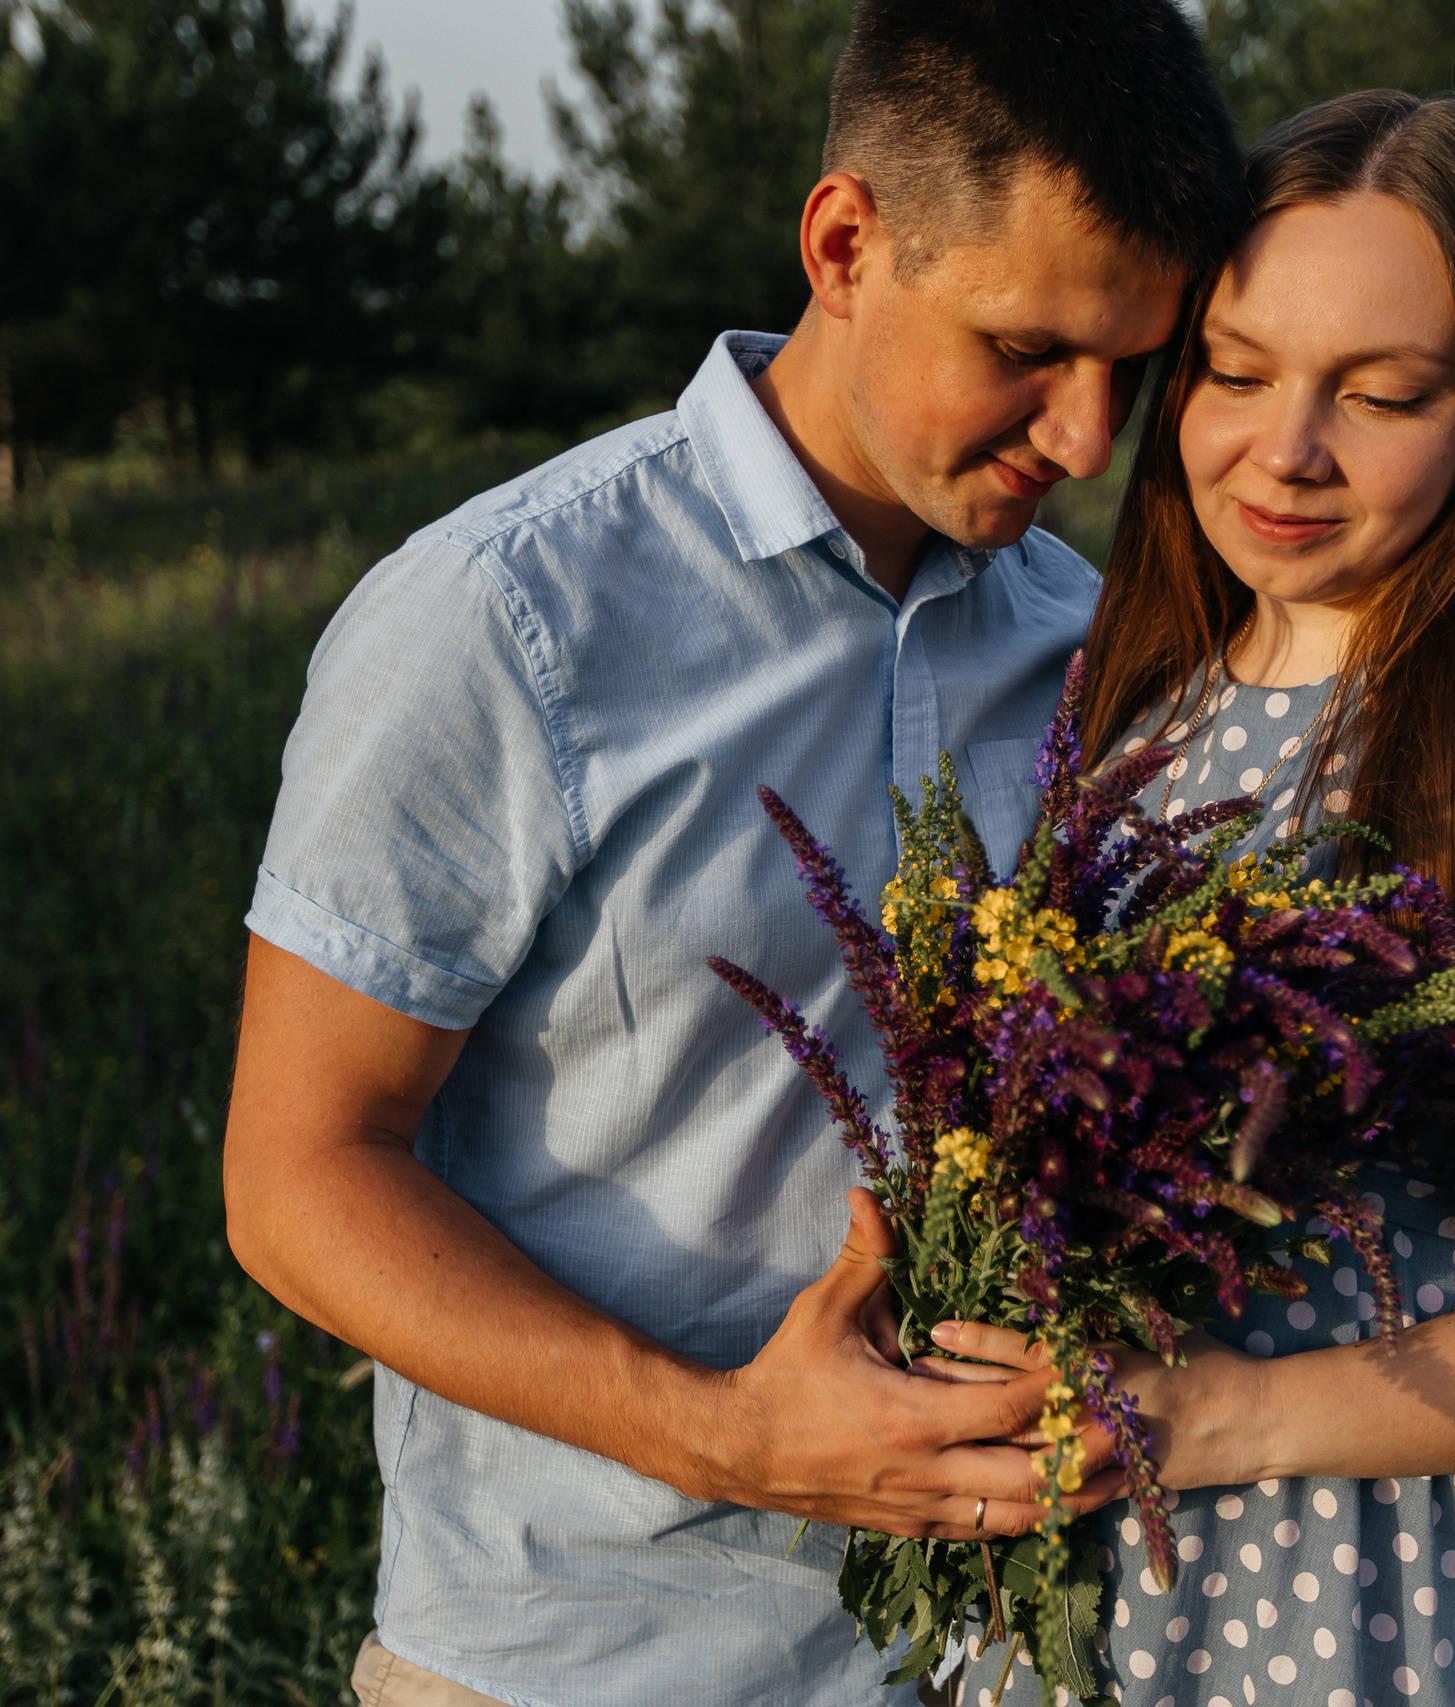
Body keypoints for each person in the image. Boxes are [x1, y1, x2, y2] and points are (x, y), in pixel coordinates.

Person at [219, 5, 1246, 1703]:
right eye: (1027, 349)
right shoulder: (507, 618)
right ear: (846, 244)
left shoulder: (1094, 641)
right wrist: (726, 1437)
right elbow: (296, 1177)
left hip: (1004, 1665)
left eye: (1135, 368)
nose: (1087, 437)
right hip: (580, 1663)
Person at [924, 91, 1455, 1707]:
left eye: (1383, 395)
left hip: (1441, 1578)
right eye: (1236, 375)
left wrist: (1223, 1417)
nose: (1287, 451)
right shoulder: (1120, 697)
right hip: (1122, 1575)